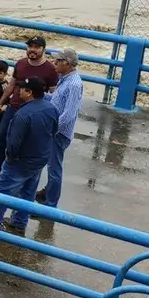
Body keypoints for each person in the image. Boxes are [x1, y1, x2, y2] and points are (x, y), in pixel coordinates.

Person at [0, 77, 59, 232]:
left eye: (22, 88)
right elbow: (54, 132)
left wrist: (10, 158)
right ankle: (20, 222)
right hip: (39, 160)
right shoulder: (52, 109)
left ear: (29, 93)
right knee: (28, 192)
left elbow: (14, 143)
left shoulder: (23, 114)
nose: (18, 90)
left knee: (2, 196)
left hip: (19, 162)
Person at [0, 35, 59, 172]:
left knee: (24, 142)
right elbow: (11, 86)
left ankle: (14, 169)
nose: (33, 50)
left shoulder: (50, 69)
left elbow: (54, 95)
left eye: (37, 47)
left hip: (33, 112)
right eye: (30, 46)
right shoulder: (20, 63)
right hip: (14, 107)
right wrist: (0, 103)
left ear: (44, 49)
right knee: (1, 137)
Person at [37, 49, 83, 206]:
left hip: (59, 133)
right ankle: (48, 191)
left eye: (58, 61)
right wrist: (40, 94)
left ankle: (51, 203)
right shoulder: (64, 79)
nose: (54, 63)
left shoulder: (74, 85)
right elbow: (56, 99)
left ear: (67, 64)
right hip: (55, 130)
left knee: (54, 169)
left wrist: (52, 130)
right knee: (51, 166)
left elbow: (69, 114)